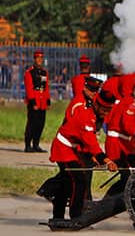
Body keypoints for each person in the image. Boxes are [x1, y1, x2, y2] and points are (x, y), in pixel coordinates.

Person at [47, 89, 118, 221]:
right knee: (78, 181)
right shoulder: (86, 118)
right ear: (96, 105)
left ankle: (58, 216)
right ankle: (76, 216)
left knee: (67, 183)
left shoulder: (95, 116)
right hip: (63, 148)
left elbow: (86, 142)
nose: (105, 113)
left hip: (73, 148)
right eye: (103, 109)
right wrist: (107, 160)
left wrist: (93, 157)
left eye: (108, 110)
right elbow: (92, 144)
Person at [103, 73, 135, 196]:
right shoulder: (130, 103)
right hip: (117, 145)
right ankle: (106, 202)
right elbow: (129, 128)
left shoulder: (128, 101)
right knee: (127, 177)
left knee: (131, 174)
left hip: (123, 143)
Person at [23, 49, 50, 153]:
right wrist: (33, 102)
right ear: (34, 59)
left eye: (41, 58)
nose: (39, 60)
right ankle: (27, 145)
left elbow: (46, 87)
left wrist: (47, 101)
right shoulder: (29, 72)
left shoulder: (44, 72)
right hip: (34, 100)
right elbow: (29, 88)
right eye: (37, 58)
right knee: (32, 123)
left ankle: (36, 144)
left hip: (42, 101)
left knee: (40, 124)